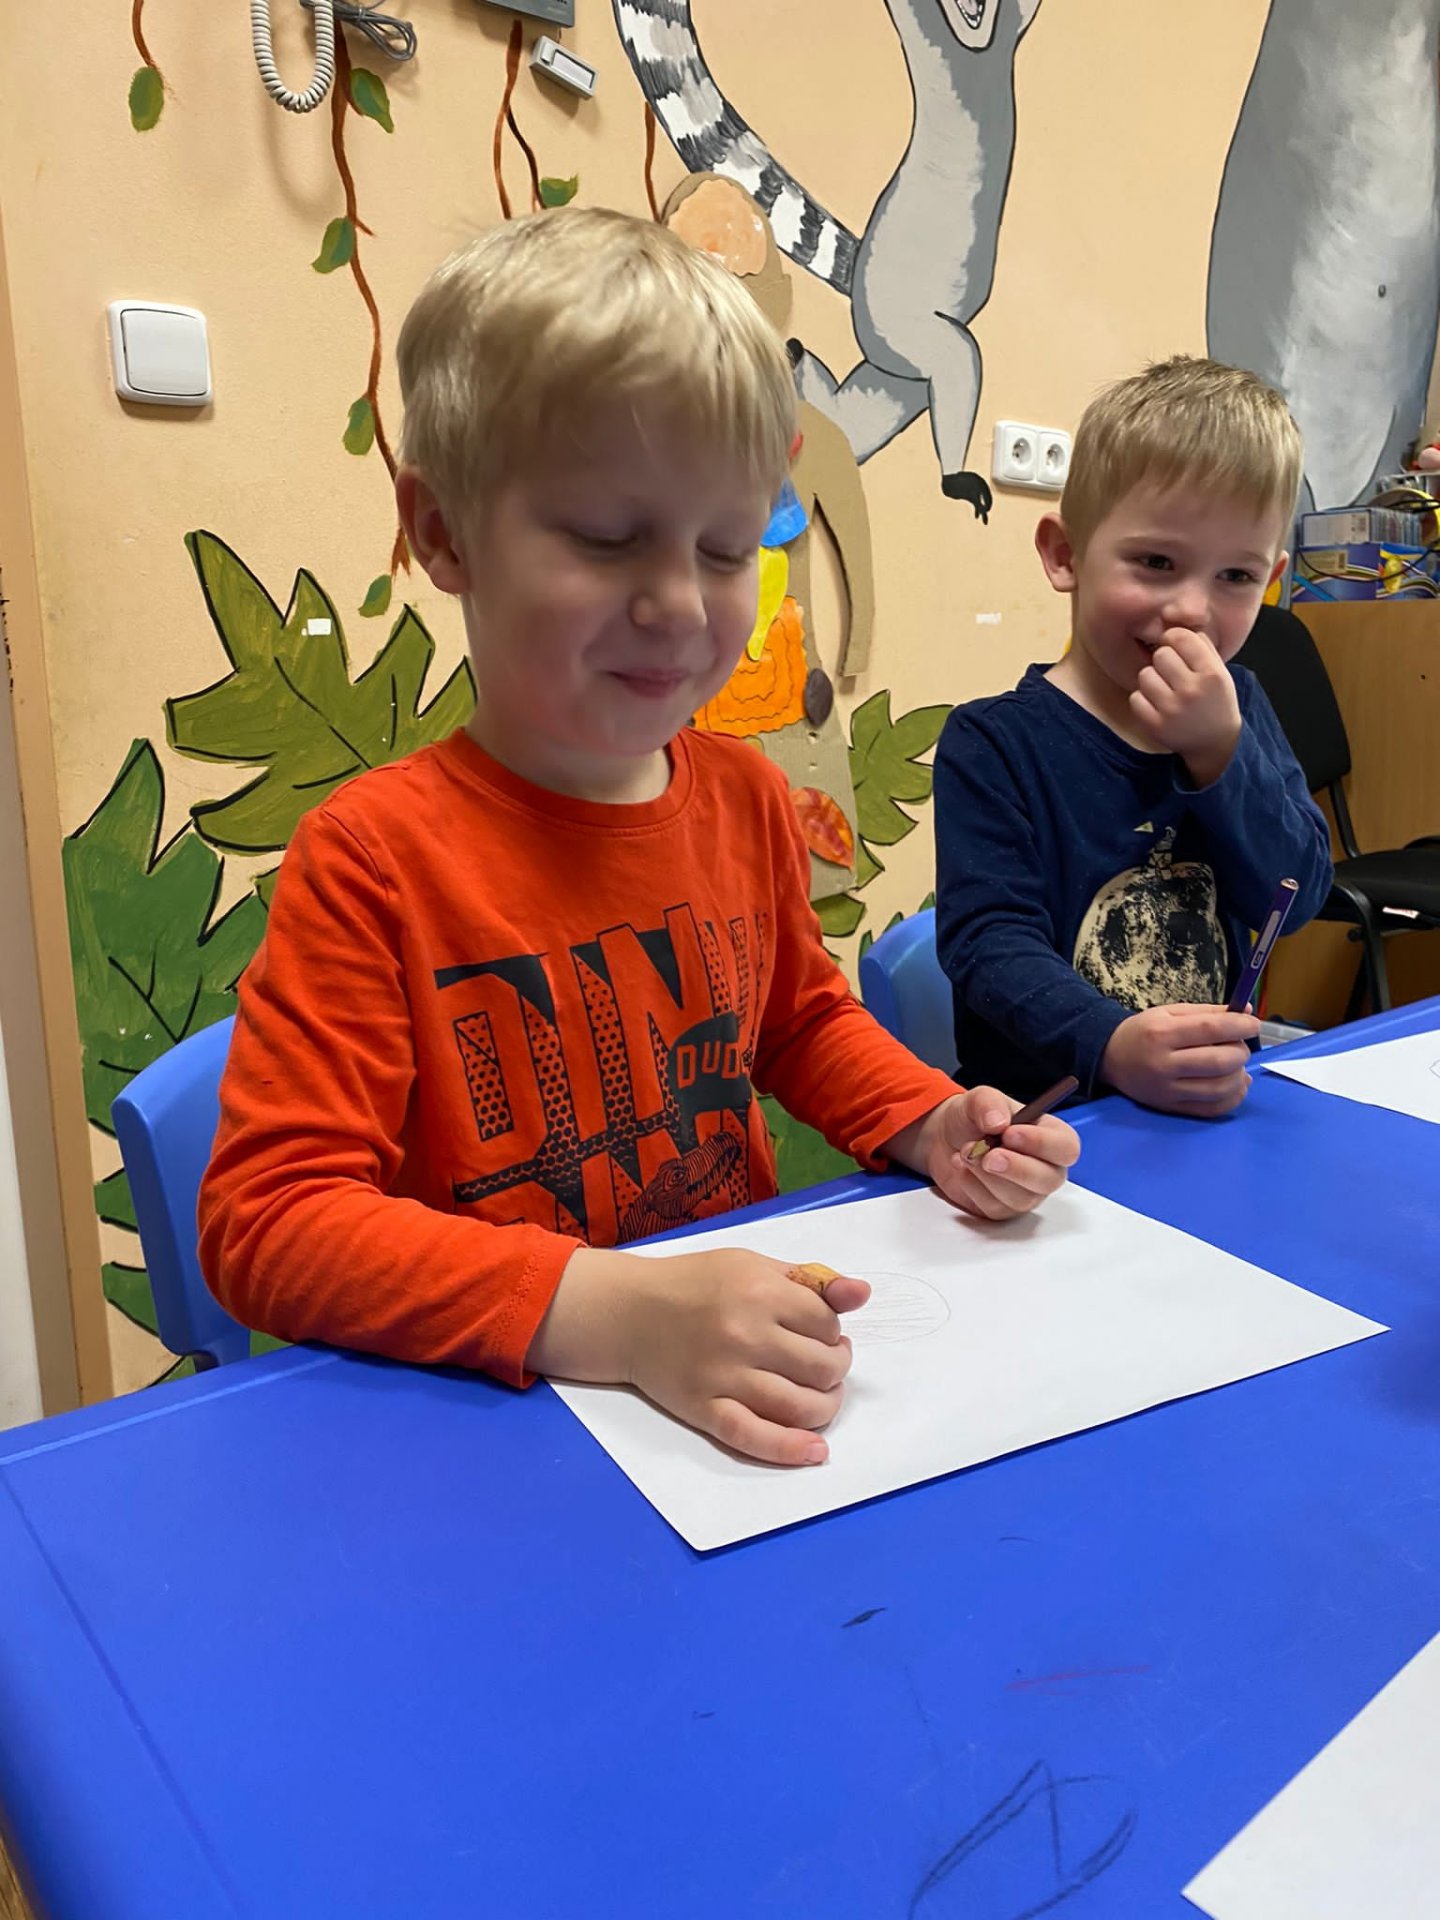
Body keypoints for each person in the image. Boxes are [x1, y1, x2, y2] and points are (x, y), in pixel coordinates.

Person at [199, 208, 1078, 1468]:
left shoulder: (745, 798)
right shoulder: (372, 858)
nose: (677, 602)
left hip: (727, 1410)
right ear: (441, 533)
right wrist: (611, 1313)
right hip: (505, 1429)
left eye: (728, 547)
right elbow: (269, 1224)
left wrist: (932, 1122)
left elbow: (794, 1022)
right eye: (608, 539)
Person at [934, 356, 1333, 1114]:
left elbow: (1298, 896)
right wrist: (1110, 1043)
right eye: (1156, 562)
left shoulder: (1241, 710)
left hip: (1207, 1107)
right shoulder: (993, 743)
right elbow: (987, 945)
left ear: (1272, 579)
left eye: (1236, 577)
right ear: (1065, 555)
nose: (1192, 611)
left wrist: (1220, 756)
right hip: (1046, 1129)